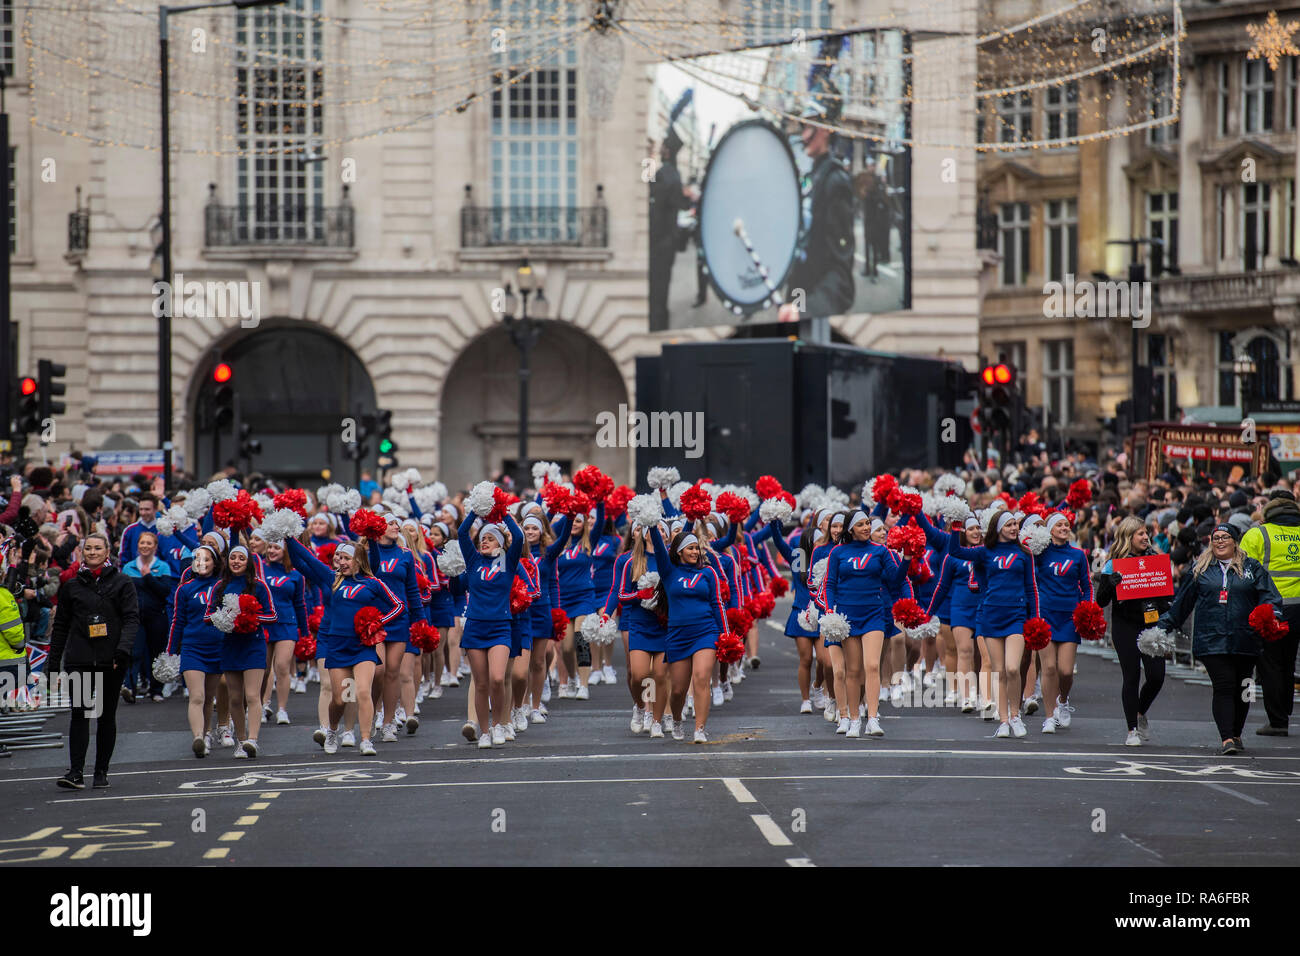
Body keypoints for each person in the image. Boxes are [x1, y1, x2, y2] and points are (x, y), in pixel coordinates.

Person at [1156, 523, 1283, 755]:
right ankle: (1226, 738)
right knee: (1224, 685)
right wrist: (1161, 628)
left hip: (1246, 639)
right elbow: (1182, 604)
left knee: (1244, 687)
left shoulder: (1252, 568)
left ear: (1235, 541)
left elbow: (1270, 596)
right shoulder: (1201, 569)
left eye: (1225, 537)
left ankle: (1236, 733)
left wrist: (1273, 614)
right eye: (1216, 538)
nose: (1220, 541)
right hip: (1210, 639)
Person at [48, 532, 140, 789]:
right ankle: (75, 771)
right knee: (79, 714)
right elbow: (61, 626)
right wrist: (53, 663)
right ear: (82, 552)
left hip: (111, 659)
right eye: (88, 548)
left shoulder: (123, 583)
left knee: (105, 716)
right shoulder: (72, 586)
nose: (92, 552)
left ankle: (101, 771)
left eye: (98, 548)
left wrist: (122, 651)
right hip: (80, 658)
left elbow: (132, 620)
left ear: (107, 551)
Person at [777, 74, 855, 323]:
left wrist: (806, 310)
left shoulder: (835, 181)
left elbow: (841, 277)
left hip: (815, 313)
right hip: (798, 297)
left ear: (827, 130)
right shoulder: (813, 175)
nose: (804, 135)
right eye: (803, 127)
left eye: (810, 126)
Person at [1096, 516, 1172, 746]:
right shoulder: (1113, 564)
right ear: (1128, 537)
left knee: (1157, 676)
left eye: (1146, 532)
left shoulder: (1157, 560)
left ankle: (1140, 713)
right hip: (1125, 625)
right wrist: (1111, 583)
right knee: (1131, 675)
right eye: (1140, 533)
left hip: (1150, 622)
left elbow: (1168, 596)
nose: (1145, 536)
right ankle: (1131, 730)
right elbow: (1101, 601)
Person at [1238, 489, 1300, 735]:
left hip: (1270, 609)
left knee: (1270, 664)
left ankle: (1277, 721)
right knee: (1288, 662)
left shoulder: (1257, 534)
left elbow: (1241, 572)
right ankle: (1284, 713)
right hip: (1298, 609)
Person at [121, 530, 174, 702]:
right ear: (138, 545)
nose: (145, 546)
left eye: (149, 543)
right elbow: (124, 593)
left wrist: (149, 576)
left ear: (155, 547)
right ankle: (130, 687)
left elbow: (164, 591)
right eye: (142, 543)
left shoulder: (163, 566)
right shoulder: (128, 567)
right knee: (134, 652)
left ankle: (156, 689)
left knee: (156, 653)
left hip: (157, 616)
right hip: (135, 617)